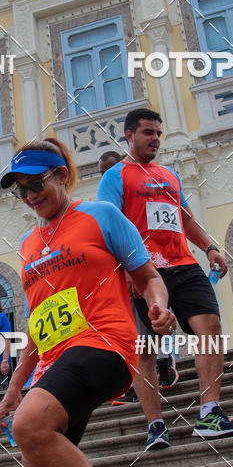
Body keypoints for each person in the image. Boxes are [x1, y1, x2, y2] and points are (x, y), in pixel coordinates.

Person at [0, 138, 177, 467]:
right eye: (21, 191)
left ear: (62, 176)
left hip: (105, 343)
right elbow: (37, 331)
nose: (30, 196)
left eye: (37, 184)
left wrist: (159, 307)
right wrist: (11, 395)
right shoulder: (30, 248)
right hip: (56, 361)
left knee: (32, 428)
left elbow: (147, 277)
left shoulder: (99, 216)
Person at [97, 108, 233, 441]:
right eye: (148, 132)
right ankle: (156, 425)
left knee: (210, 327)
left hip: (182, 264)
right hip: (143, 272)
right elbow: (107, 228)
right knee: (145, 349)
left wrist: (209, 248)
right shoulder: (115, 176)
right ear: (130, 135)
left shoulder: (169, 175)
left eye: (158, 133)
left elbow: (186, 218)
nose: (155, 139)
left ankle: (209, 414)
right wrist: (124, 274)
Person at [98, 150, 177, 415]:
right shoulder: (106, 203)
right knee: (136, 330)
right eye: (102, 173)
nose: (106, 177)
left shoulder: (140, 192)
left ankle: (165, 364)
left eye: (111, 170)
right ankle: (136, 380)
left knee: (154, 319)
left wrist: (135, 273)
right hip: (125, 275)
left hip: (149, 267)